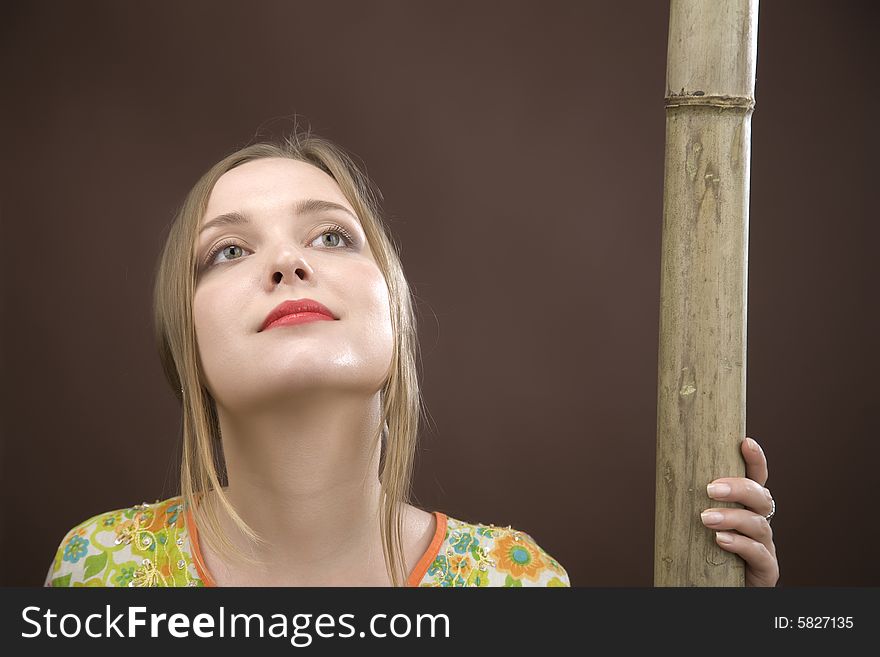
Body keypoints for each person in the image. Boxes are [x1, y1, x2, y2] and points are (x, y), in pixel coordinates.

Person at [43, 130, 779, 588]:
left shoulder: (513, 585)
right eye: (229, 250)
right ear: (184, 339)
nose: (289, 261)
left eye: (331, 236)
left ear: (394, 315)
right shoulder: (100, 570)